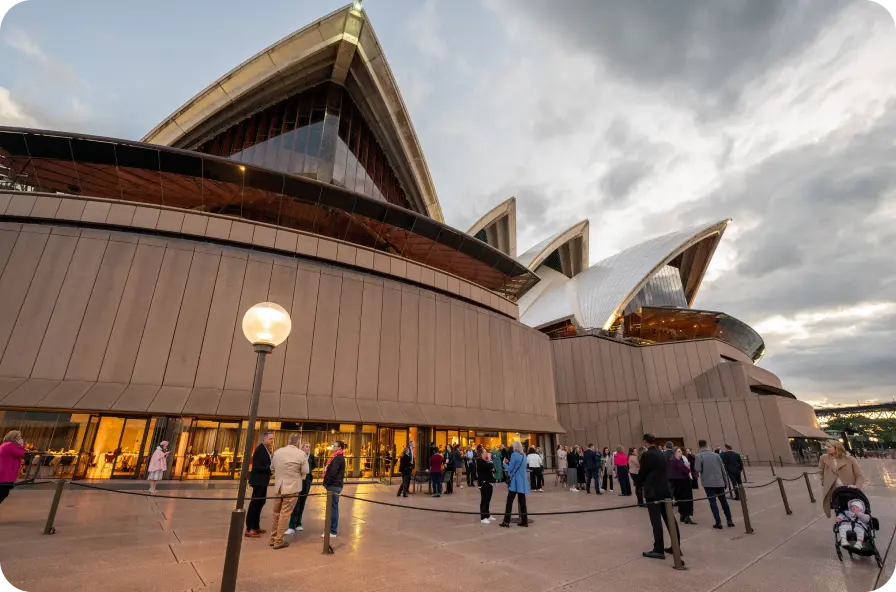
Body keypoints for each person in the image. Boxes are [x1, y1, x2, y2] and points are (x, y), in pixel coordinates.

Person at [639, 434, 681, 561]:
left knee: (656, 520)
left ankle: (658, 549)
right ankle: (676, 546)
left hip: (653, 490)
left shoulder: (647, 455)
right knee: (670, 518)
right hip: (665, 489)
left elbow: (643, 472)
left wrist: (640, 483)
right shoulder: (663, 454)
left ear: (645, 442)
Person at [269, 434, 309, 549]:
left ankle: (272, 538)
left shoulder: (278, 452)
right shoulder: (301, 454)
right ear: (297, 443)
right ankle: (278, 541)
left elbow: (272, 468)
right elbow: (306, 470)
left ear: (288, 441)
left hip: (279, 487)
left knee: (276, 513)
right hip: (292, 488)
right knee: (284, 514)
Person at [819, 439, 868, 520]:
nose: (826, 448)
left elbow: (859, 476)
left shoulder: (850, 459)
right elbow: (821, 471)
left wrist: (856, 486)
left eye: (829, 447)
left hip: (850, 490)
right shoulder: (823, 458)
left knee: (853, 511)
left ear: (836, 447)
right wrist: (823, 482)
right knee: (839, 512)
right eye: (826, 446)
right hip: (835, 492)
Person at [694, 440, 735, 529]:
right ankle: (729, 520)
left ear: (699, 446)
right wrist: (725, 482)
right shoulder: (716, 455)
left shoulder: (698, 456)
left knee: (713, 503)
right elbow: (723, 469)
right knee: (724, 501)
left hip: (708, 483)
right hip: (720, 482)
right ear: (707, 445)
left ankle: (718, 522)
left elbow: (697, 469)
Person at [245, 431, 274, 538]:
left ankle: (256, 526)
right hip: (258, 481)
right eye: (270, 439)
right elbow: (256, 467)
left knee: (261, 503)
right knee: (255, 504)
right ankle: (249, 528)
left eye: (272, 439)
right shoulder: (260, 450)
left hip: (263, 481)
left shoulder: (266, 449)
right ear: (264, 439)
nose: (272, 441)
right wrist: (269, 467)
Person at [286, 442, 316, 533]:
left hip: (307, 481)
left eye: (309, 446)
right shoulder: (298, 455)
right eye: (306, 446)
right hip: (298, 480)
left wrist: (309, 471)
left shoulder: (311, 456)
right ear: (302, 448)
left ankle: (299, 523)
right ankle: (292, 525)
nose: (308, 448)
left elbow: (314, 465)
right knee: (296, 502)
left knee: (302, 502)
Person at [500, 441, 530, 528]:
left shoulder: (514, 455)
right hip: (522, 481)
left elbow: (510, 469)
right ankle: (525, 521)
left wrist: (504, 464)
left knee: (509, 501)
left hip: (515, 481)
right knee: (522, 502)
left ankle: (506, 521)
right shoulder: (524, 456)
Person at [322, 440, 346, 538]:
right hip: (335, 485)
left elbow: (333, 472)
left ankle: (332, 530)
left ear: (340, 447)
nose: (333, 447)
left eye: (334, 446)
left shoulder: (338, 458)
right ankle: (331, 529)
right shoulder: (336, 457)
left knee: (333, 508)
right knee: (332, 507)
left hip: (334, 485)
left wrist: (326, 483)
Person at [669, 448, 696, 524]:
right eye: (678, 451)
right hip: (683, 482)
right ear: (674, 453)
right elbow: (686, 470)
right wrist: (687, 466)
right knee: (687, 498)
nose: (681, 453)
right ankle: (686, 516)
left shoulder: (671, 461)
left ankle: (682, 515)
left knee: (680, 499)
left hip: (676, 483)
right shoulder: (677, 461)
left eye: (681, 451)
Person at [0, 430, 25, 506]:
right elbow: (20, 454)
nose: (21, 439)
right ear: (15, 438)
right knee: (3, 493)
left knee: (3, 493)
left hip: (4, 473)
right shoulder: (11, 445)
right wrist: (21, 445)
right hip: (6, 475)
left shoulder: (4, 445)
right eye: (19, 437)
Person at [477, 449, 497, 524]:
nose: (487, 453)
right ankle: (483, 517)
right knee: (484, 499)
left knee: (488, 499)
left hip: (490, 482)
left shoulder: (486, 461)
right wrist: (490, 460)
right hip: (484, 482)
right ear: (482, 453)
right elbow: (490, 465)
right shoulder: (480, 460)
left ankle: (487, 514)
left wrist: (492, 467)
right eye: (485, 452)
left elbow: (494, 469)